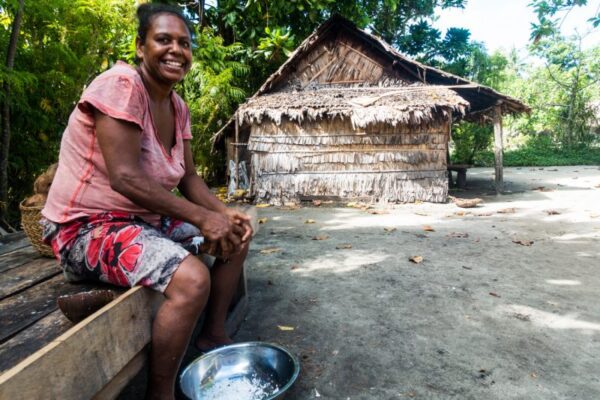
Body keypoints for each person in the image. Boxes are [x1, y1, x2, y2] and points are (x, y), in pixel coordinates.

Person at [41, 4, 252, 399]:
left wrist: (224, 214)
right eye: (163, 40)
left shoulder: (177, 106)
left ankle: (213, 335)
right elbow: (124, 176)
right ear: (141, 47)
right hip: (84, 229)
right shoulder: (121, 85)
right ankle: (160, 393)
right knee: (192, 280)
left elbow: (188, 177)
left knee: (237, 235)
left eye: (184, 43)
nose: (176, 50)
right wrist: (202, 219)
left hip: (141, 220)